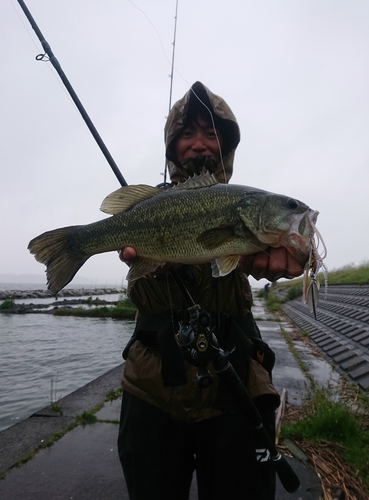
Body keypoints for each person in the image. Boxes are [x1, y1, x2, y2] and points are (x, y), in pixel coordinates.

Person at [117, 82, 304, 500]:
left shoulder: (250, 206)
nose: (198, 145)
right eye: (187, 133)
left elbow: (287, 249)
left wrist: (295, 256)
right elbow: (138, 291)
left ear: (227, 144)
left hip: (236, 376)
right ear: (171, 145)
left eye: (211, 133)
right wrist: (147, 262)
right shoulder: (149, 208)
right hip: (153, 380)